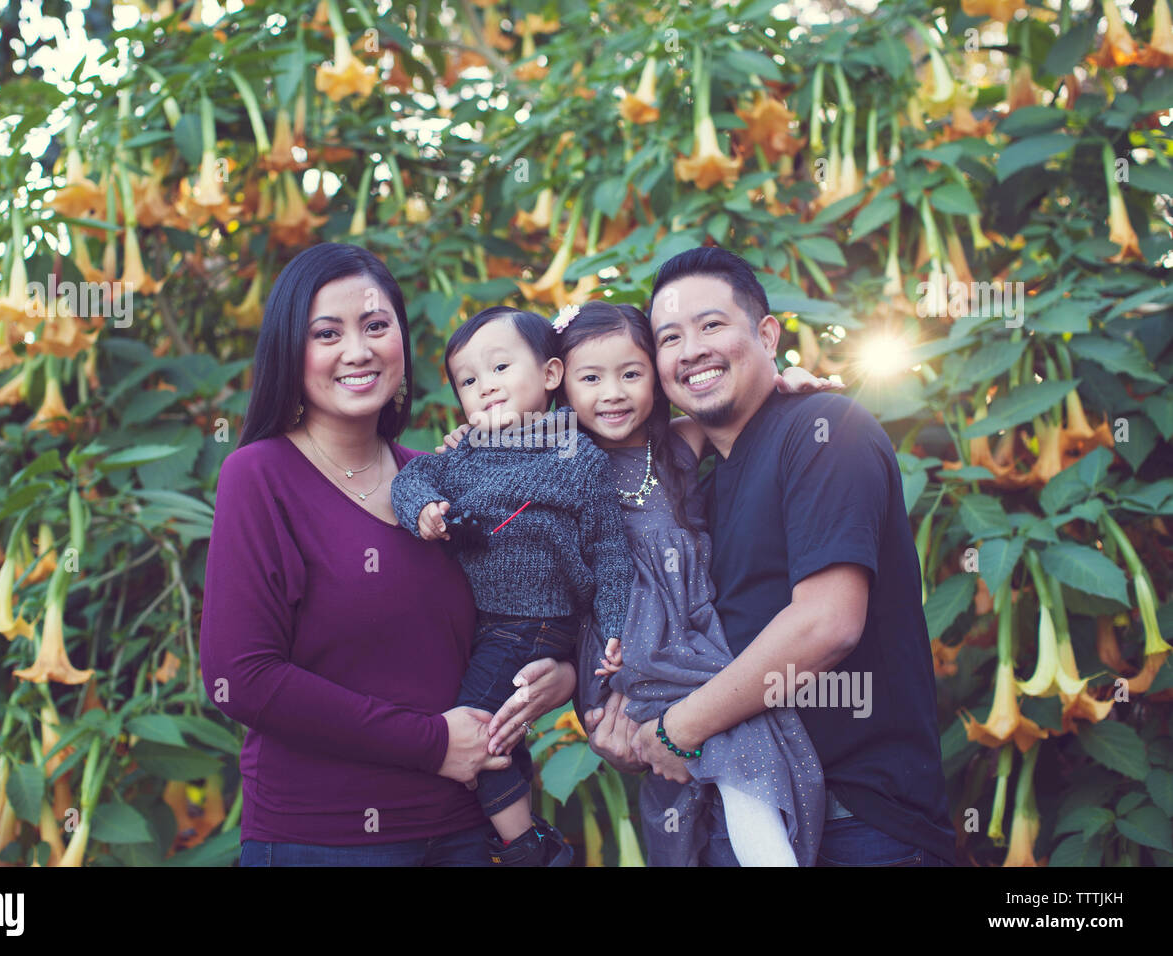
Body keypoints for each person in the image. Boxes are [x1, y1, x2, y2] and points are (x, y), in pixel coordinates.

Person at [199, 243, 577, 866]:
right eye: (328, 332)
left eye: (377, 326)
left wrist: (557, 679)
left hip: (466, 831)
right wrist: (431, 743)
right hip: (325, 838)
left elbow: (531, 598)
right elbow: (240, 678)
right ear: (291, 351)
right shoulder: (259, 476)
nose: (358, 350)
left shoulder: (442, 480)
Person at [588, 245, 957, 866]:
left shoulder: (825, 429)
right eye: (669, 338)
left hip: (857, 825)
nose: (692, 350)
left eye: (712, 325)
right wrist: (620, 719)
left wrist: (677, 731)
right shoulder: (695, 488)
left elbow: (826, 624)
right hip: (741, 818)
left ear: (766, 334)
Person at [557, 301, 825, 866]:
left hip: (693, 633)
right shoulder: (562, 462)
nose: (612, 392)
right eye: (590, 378)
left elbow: (751, 403)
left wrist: (789, 380)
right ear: (560, 383)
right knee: (728, 741)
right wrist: (466, 438)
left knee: (718, 745)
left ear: (656, 378)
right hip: (627, 643)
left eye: (631, 374)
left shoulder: (678, 443)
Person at [390, 306, 633, 866]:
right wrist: (421, 509)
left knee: (479, 730)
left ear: (550, 376)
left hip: (536, 623)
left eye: (500, 367)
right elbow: (414, 476)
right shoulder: (465, 454)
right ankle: (527, 837)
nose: (486, 386)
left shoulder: (576, 457)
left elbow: (609, 552)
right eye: (469, 381)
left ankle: (526, 846)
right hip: (484, 624)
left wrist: (614, 625)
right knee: (497, 728)